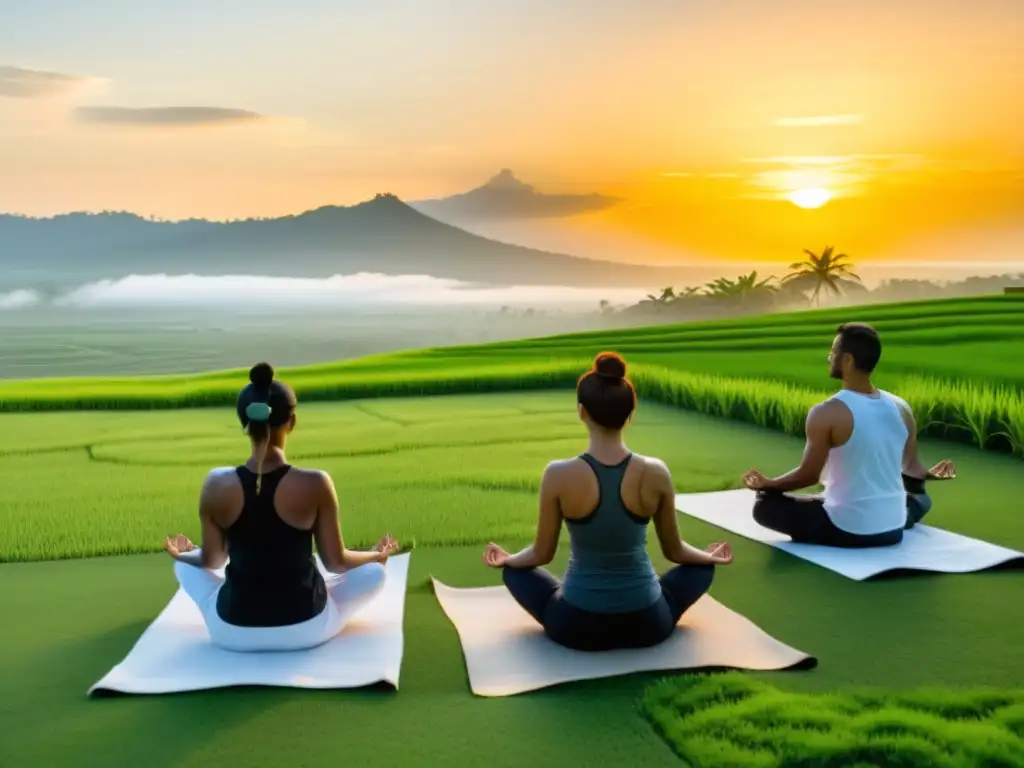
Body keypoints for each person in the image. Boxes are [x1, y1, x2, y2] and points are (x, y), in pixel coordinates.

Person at [482, 352, 734, 652]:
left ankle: (560, 596)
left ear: (581, 412)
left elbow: (540, 554)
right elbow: (676, 551)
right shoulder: (656, 472)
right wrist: (709, 558)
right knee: (700, 569)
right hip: (648, 624)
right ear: (631, 413)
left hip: (575, 626)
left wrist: (508, 559)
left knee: (515, 573)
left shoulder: (558, 474)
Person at [161, 362, 400, 652]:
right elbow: (335, 562)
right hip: (307, 628)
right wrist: (377, 555)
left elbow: (212, 561)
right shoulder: (315, 483)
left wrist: (184, 554)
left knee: (184, 567)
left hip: (232, 631)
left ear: (244, 425)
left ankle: (188, 562)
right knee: (374, 574)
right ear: (292, 422)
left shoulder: (215, 483)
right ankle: (336, 589)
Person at [742, 323, 956, 548]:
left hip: (850, 528)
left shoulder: (826, 412)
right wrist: (929, 474)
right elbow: (911, 467)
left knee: (765, 504)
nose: (829, 357)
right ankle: (908, 507)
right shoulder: (901, 407)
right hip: (894, 527)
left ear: (847, 360)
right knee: (916, 495)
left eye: (833, 352)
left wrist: (768, 484)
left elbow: (808, 476)